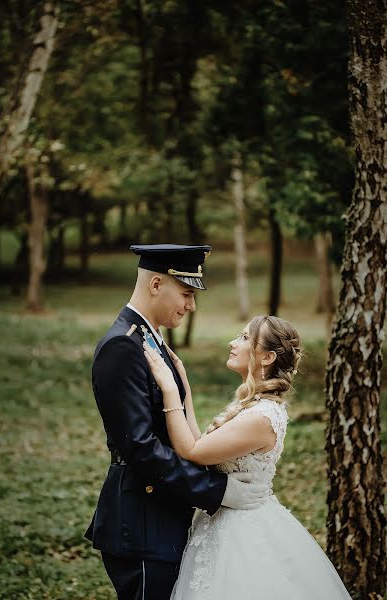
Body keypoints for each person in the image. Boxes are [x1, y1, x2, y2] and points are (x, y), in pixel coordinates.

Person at [85, 244, 269, 600]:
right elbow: (139, 447)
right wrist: (217, 491)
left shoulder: (148, 339)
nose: (191, 305)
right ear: (156, 285)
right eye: (186, 293)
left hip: (161, 517)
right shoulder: (122, 347)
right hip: (141, 523)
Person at [144, 315, 353, 600]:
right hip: (225, 517)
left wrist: (169, 390)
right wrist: (184, 386)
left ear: (266, 357)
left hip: (241, 533)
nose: (233, 343)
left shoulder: (261, 417)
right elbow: (200, 444)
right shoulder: (252, 404)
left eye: (244, 338)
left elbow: (191, 452)